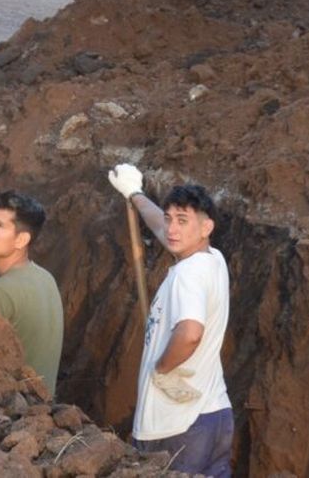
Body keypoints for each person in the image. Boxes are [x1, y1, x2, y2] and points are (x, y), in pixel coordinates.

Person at [108, 163, 232, 477]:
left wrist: (162, 368)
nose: (172, 229)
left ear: (206, 228)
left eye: (182, 221)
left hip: (177, 425)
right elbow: (163, 231)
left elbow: (190, 333)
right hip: (214, 415)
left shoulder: (187, 274)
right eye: (169, 219)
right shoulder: (212, 260)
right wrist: (134, 194)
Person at [0, 189, 64, 396]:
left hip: (13, 412)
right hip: (40, 410)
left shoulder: (0, 290)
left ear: (21, 240)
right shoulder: (45, 278)